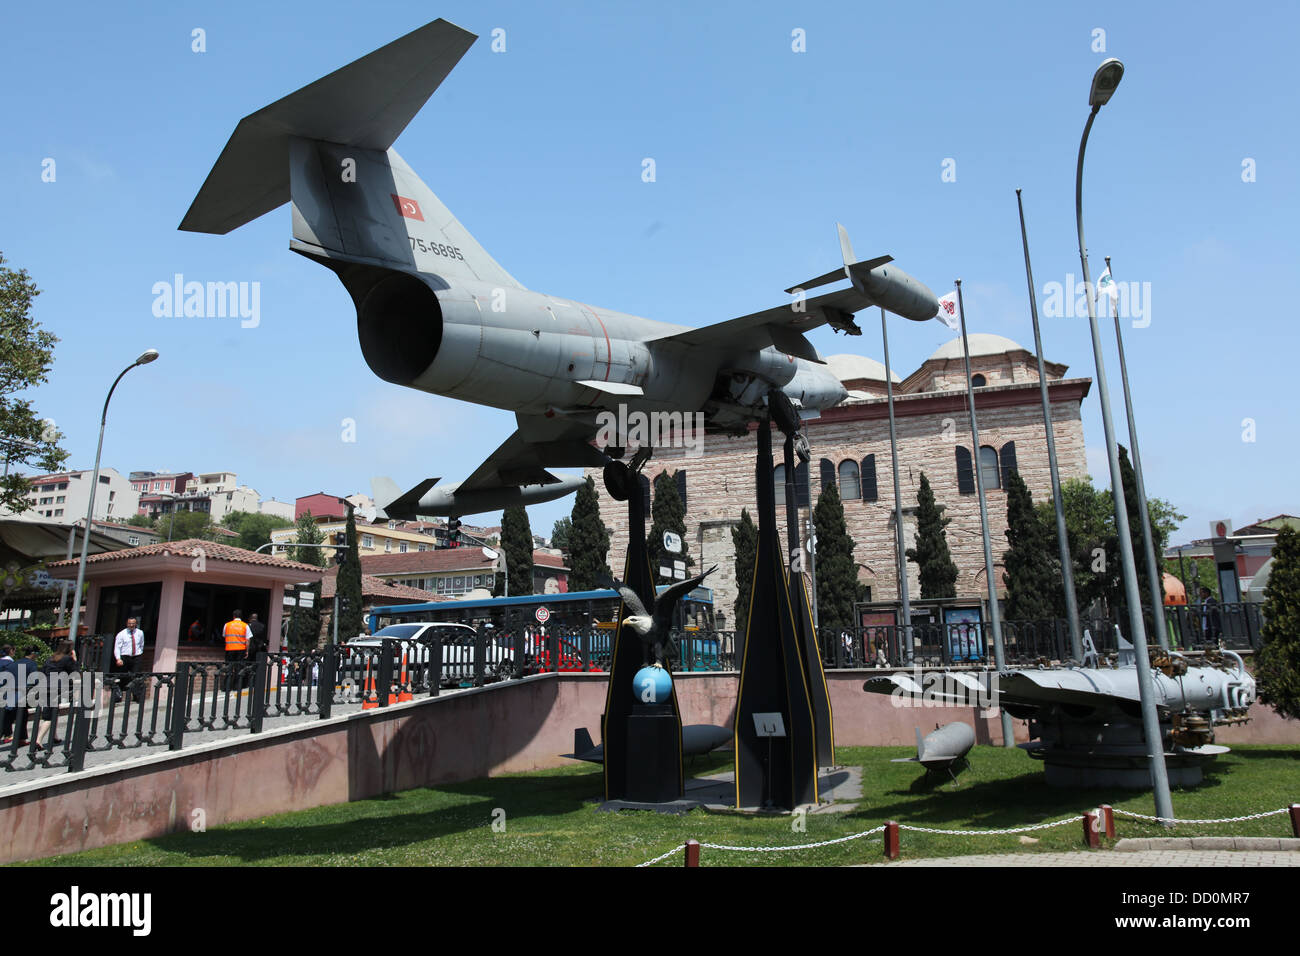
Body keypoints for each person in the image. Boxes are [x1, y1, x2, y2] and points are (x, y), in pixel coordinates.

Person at [41, 641, 77, 745]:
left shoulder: (51, 658)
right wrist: (74, 659)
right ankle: (38, 740)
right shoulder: (67, 659)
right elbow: (75, 672)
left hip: (45, 686)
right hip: (55, 688)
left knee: (53, 711)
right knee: (49, 716)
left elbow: (43, 671)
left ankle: (54, 736)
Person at [113, 617, 147, 704]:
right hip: (125, 656)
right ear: (127, 624)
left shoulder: (140, 633)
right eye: (129, 623)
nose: (131, 625)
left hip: (136, 656)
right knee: (122, 675)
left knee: (136, 676)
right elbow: (117, 647)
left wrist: (139, 653)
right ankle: (118, 695)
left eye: (133, 623)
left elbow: (141, 644)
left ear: (136, 624)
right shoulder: (121, 634)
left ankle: (137, 696)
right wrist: (118, 658)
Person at [0, 645, 17, 743]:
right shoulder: (10, 663)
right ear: (11, 651)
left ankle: (7, 733)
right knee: (7, 713)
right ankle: (7, 734)